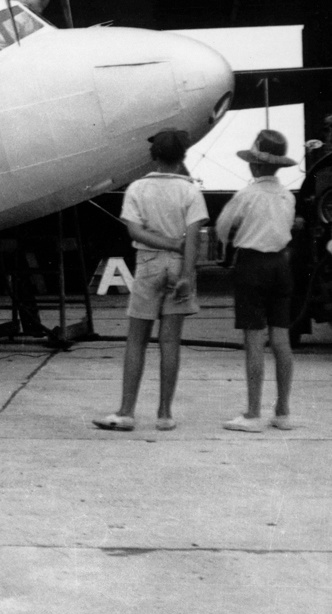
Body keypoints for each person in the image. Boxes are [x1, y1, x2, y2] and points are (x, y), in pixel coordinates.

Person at [93, 128, 207, 431]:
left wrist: (163, 244)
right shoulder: (191, 190)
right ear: (182, 157)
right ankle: (165, 413)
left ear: (153, 156)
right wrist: (186, 274)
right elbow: (194, 238)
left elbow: (134, 231)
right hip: (178, 265)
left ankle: (126, 411)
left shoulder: (138, 189)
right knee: (170, 341)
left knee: (136, 340)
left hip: (148, 264)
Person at [216, 128, 298, 432]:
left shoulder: (247, 195)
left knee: (253, 339)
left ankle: (252, 413)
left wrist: (233, 238)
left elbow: (223, 228)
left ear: (256, 164)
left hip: (252, 264)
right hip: (280, 264)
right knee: (281, 339)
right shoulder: (287, 196)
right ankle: (283, 410)